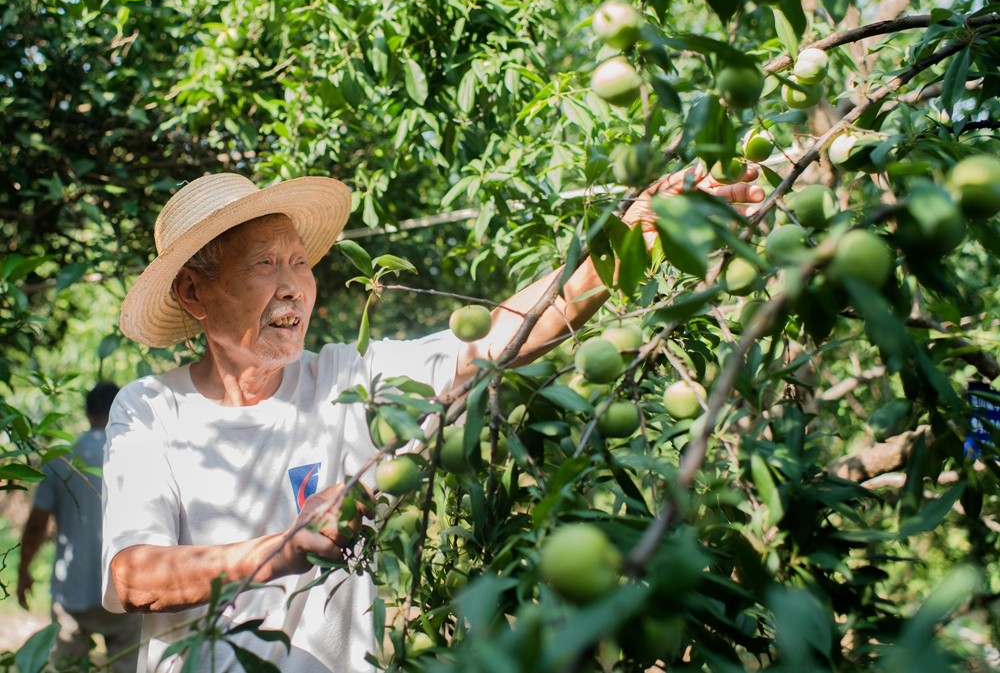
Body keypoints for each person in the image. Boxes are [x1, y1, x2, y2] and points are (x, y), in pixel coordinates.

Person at [102, 168, 762, 672]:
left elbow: (500, 338)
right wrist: (282, 546)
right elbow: (134, 575)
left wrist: (627, 243)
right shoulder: (151, 411)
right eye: (263, 264)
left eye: (299, 262)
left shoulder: (346, 379)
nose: (292, 287)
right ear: (193, 292)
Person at [18, 381, 142, 673]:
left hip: (73, 590)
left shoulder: (61, 458)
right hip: (126, 589)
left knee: (68, 666)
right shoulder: (139, 454)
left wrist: (23, 570)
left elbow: (37, 525)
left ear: (88, 414)